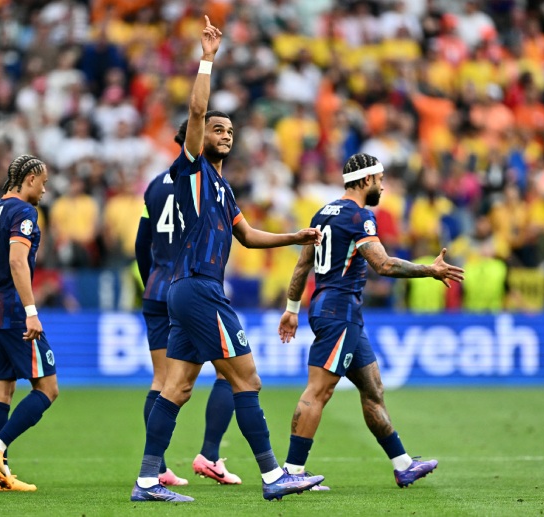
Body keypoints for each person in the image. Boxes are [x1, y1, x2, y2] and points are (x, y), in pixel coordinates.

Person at [130, 16, 325, 503]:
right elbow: (196, 111)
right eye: (219, 128)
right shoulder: (192, 169)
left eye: (231, 130)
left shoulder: (222, 187)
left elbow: (248, 236)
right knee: (247, 378)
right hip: (199, 288)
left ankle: (148, 481)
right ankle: (273, 475)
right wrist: (208, 59)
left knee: (177, 388)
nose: (226, 134)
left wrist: (295, 235)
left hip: (183, 291)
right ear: (200, 138)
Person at [277, 152, 465, 488]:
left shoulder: (323, 212)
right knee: (319, 390)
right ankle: (292, 472)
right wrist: (429, 270)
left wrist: (292, 309)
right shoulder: (359, 216)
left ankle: (403, 464)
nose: (382, 186)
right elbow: (383, 265)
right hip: (339, 312)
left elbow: (303, 263)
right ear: (366, 181)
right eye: (379, 180)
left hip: (336, 310)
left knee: (373, 388)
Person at [135, 132, 241, 487]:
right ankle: (209, 455)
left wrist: (151, 281)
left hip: (157, 288)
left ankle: (157, 467)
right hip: (191, 283)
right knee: (230, 373)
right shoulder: (197, 182)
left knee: (162, 380)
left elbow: (141, 242)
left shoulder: (153, 186)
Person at [0, 154, 58, 492]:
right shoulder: (24, 213)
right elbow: (17, 261)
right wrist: (31, 311)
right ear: (31, 178)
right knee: (48, 389)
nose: (45, 189)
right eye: (44, 182)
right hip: (12, 313)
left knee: (1, 391)